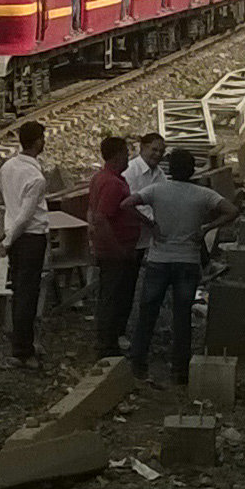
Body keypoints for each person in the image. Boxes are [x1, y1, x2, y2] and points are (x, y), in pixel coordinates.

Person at [125, 148, 240, 383]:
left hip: (159, 260)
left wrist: (149, 224)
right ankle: (180, 370)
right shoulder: (203, 194)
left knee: (148, 312)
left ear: (170, 169)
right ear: (192, 170)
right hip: (187, 261)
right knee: (182, 315)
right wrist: (207, 228)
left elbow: (126, 204)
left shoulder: (156, 190)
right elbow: (232, 210)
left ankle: (138, 362)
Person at [0, 120, 50, 369]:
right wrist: (7, 241)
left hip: (15, 235)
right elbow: (26, 215)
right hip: (30, 238)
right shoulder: (35, 177)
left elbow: (11, 206)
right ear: (38, 142)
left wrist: (9, 237)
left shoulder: (7, 167)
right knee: (28, 295)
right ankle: (22, 350)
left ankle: (21, 344)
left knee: (20, 291)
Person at [88, 135, 145, 360]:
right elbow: (101, 217)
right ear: (118, 155)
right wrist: (118, 249)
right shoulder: (112, 183)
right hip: (116, 251)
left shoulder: (101, 177)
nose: (129, 156)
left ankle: (107, 341)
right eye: (126, 152)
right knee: (113, 297)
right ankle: (107, 346)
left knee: (110, 295)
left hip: (112, 248)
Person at [125, 132, 167, 300]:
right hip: (132, 230)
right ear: (143, 148)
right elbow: (130, 202)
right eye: (154, 150)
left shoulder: (159, 174)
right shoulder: (131, 170)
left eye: (161, 151)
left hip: (149, 231)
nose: (158, 155)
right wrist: (152, 220)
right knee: (128, 275)